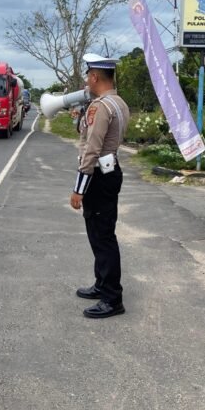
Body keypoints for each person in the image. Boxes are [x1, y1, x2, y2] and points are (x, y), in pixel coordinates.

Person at [70, 53, 130, 318]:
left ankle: (112, 299)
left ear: (94, 77)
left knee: (102, 237)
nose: (86, 80)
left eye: (88, 76)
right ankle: (101, 284)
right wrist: (79, 119)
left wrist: (78, 189)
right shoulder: (118, 103)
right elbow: (91, 134)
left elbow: (91, 150)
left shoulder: (100, 107)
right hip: (110, 170)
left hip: (98, 176)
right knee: (99, 233)